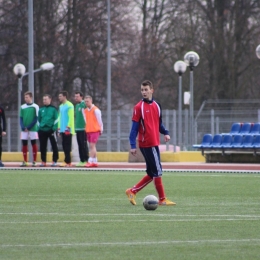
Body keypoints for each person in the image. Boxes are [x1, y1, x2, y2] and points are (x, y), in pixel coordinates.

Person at [126, 80, 176, 206]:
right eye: (142, 90)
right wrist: (132, 145)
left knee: (151, 172)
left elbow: (158, 123)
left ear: (151, 90)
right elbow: (134, 128)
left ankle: (132, 191)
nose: (144, 92)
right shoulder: (139, 107)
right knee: (158, 171)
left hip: (154, 143)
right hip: (147, 144)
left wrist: (165, 132)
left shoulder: (157, 105)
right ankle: (162, 199)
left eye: (146, 89)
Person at [38, 94, 59, 167]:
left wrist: (53, 129)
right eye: (43, 99)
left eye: (46, 99)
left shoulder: (53, 109)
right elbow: (38, 120)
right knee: (42, 146)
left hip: (51, 130)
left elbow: (56, 120)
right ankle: (43, 161)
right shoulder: (41, 110)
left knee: (54, 146)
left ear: (50, 99)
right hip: (42, 130)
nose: (44, 101)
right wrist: (39, 129)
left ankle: (54, 161)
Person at [20, 91, 39, 167]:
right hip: (24, 129)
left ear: (31, 97)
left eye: (27, 97)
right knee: (24, 143)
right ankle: (25, 161)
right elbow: (21, 118)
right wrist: (22, 126)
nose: (26, 99)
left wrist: (29, 127)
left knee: (33, 143)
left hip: (33, 128)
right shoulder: (22, 107)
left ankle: (34, 161)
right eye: (25, 97)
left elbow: (36, 118)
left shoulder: (35, 106)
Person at [83, 95, 103, 167]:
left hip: (95, 130)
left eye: (87, 101)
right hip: (88, 130)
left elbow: (99, 120)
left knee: (92, 145)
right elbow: (86, 120)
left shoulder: (96, 110)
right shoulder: (85, 110)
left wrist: (101, 129)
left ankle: (90, 160)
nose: (86, 103)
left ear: (91, 101)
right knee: (92, 146)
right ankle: (95, 160)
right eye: (85, 101)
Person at [58, 91, 75, 167]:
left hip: (67, 129)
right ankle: (67, 160)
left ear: (65, 96)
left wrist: (68, 127)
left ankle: (68, 161)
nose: (59, 98)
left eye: (60, 96)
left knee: (67, 145)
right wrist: (59, 128)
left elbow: (71, 117)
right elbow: (59, 117)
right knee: (64, 145)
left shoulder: (70, 105)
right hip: (62, 129)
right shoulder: (61, 106)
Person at [74, 91, 89, 167]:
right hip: (78, 128)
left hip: (83, 128)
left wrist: (87, 126)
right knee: (79, 145)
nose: (76, 98)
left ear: (81, 97)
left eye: (77, 96)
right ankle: (81, 160)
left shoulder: (84, 104)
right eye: (75, 96)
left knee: (83, 144)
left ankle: (86, 160)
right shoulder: (77, 106)